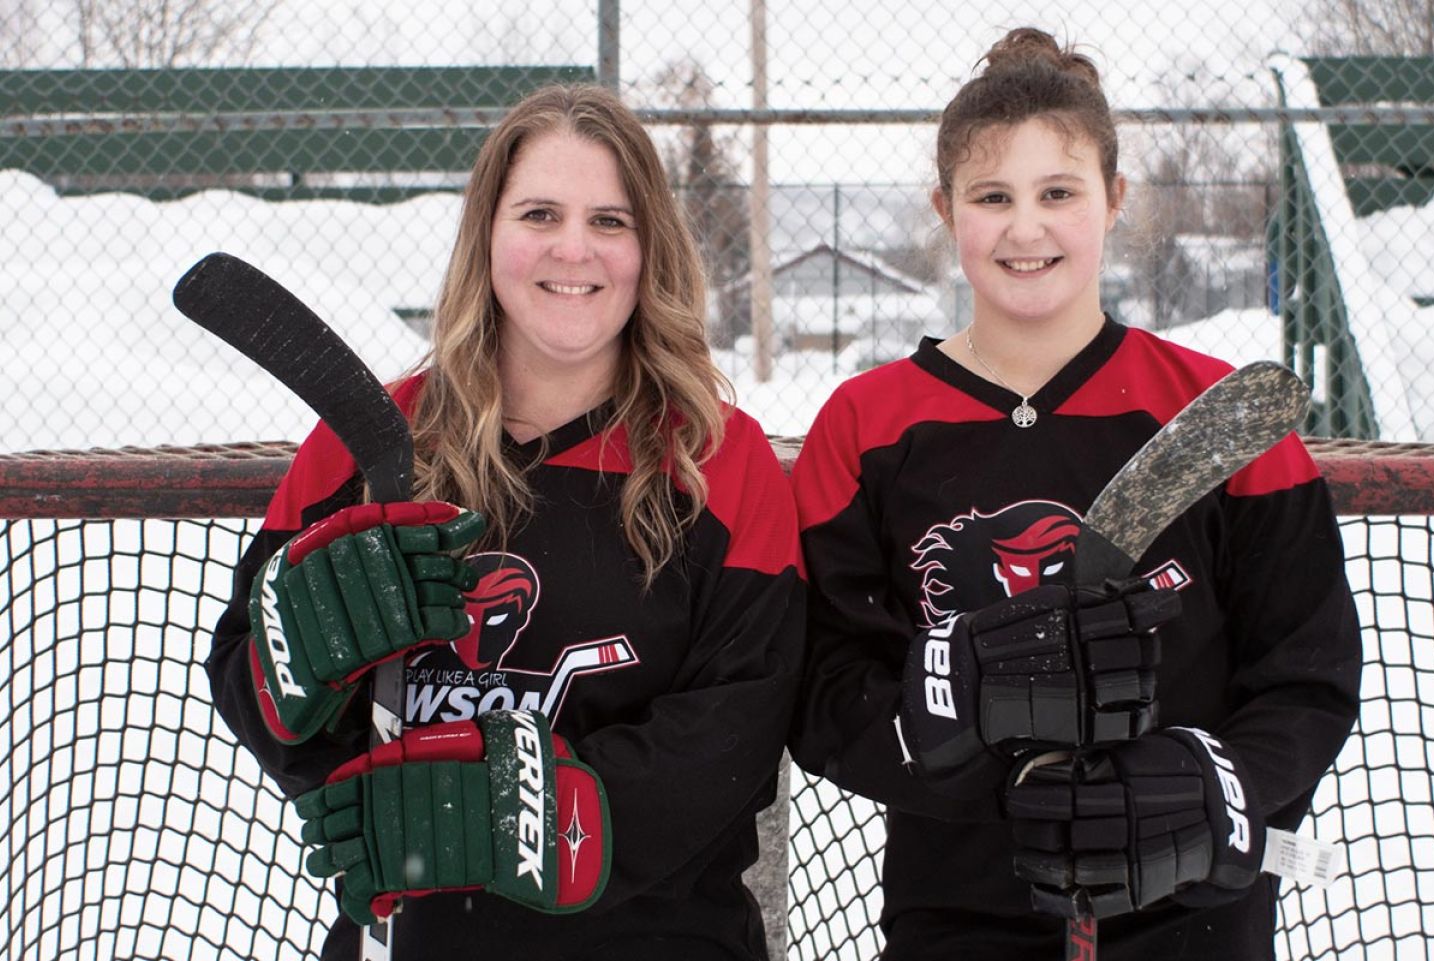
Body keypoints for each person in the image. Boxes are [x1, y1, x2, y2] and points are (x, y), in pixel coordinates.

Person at [787, 28, 1362, 960]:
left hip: (1194, 910)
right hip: (958, 911)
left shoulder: (1217, 416)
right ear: (945, 208)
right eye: (992, 197)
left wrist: (1213, 784)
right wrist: (940, 733)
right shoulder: (865, 426)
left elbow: (1308, 668)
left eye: (1059, 192)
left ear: (1114, 198)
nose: (1027, 227)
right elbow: (822, 680)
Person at [206, 83, 804, 961]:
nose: (574, 248)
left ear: (649, 249)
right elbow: (248, 674)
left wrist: (519, 817)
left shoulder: (715, 457)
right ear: (488, 235)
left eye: (609, 220)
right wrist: (301, 667)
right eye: (539, 213)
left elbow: (742, 721)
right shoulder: (374, 444)